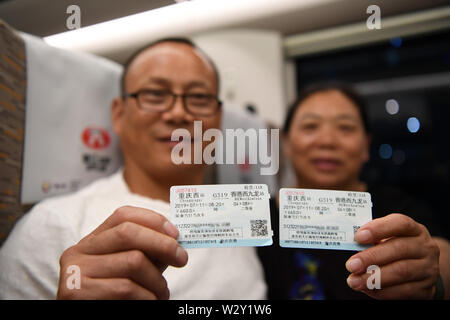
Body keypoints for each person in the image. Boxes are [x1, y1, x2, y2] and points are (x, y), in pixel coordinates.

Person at [0, 38, 267, 299]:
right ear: (118, 114)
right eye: (155, 95)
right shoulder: (55, 225)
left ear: (218, 120)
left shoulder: (242, 217)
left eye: (198, 97)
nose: (177, 113)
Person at [258, 82, 450, 300]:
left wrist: (432, 273)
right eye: (310, 126)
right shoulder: (258, 216)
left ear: (366, 146)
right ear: (287, 143)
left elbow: (440, 254)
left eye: (345, 128)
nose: (327, 141)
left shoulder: (398, 209)